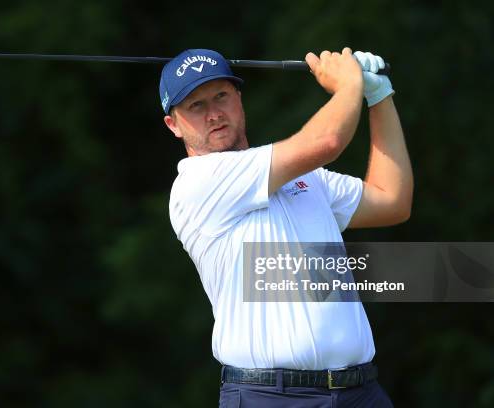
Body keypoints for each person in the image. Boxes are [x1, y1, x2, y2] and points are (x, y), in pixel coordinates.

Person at [161, 48, 412, 407]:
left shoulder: (305, 177)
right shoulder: (196, 184)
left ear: (239, 100)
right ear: (174, 124)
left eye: (221, 96)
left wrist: (379, 97)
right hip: (270, 396)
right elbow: (326, 142)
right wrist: (348, 85)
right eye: (196, 106)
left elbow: (392, 201)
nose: (214, 114)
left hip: (361, 393)